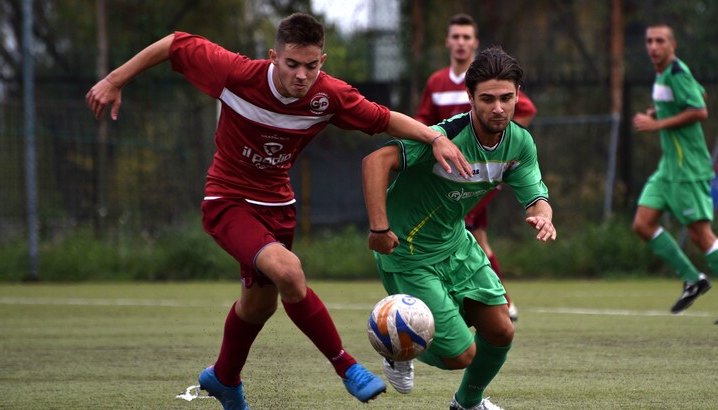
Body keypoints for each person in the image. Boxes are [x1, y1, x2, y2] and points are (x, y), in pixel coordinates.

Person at [86, 13, 473, 409]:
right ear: (274, 56)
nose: (301, 75)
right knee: (289, 270)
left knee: (259, 305)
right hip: (228, 202)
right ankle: (347, 367)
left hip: (278, 206)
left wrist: (434, 138)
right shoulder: (235, 73)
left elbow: (384, 119)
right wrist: (114, 79)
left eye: (311, 65)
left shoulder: (329, 96)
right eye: (291, 64)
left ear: (322, 61)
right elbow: (174, 42)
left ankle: (224, 378)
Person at [363, 46, 556, 410]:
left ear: (518, 96)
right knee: (461, 355)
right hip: (409, 252)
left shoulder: (519, 143)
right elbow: (376, 161)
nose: (498, 108)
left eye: (506, 98)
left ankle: (467, 404)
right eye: (487, 99)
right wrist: (378, 227)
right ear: (470, 98)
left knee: (501, 331)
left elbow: (535, 195)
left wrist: (543, 214)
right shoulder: (443, 136)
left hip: (456, 245)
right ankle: (395, 348)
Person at [415, 14, 538, 322]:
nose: (460, 42)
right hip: (447, 177)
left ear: (474, 43)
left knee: (467, 232)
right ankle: (499, 301)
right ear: (448, 42)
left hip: (480, 178)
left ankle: (492, 301)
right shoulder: (437, 82)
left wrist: (501, 158)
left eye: (466, 37)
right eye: (455, 36)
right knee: (478, 238)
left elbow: (525, 111)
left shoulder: (491, 81)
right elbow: (422, 124)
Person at [632, 23, 718, 324]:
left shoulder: (678, 71)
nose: (653, 46)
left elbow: (700, 109)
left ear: (673, 45)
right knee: (643, 223)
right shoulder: (664, 74)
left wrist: (656, 124)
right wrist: (659, 112)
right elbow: (701, 95)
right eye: (649, 41)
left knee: (701, 235)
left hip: (688, 168)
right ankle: (692, 279)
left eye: (660, 41)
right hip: (668, 168)